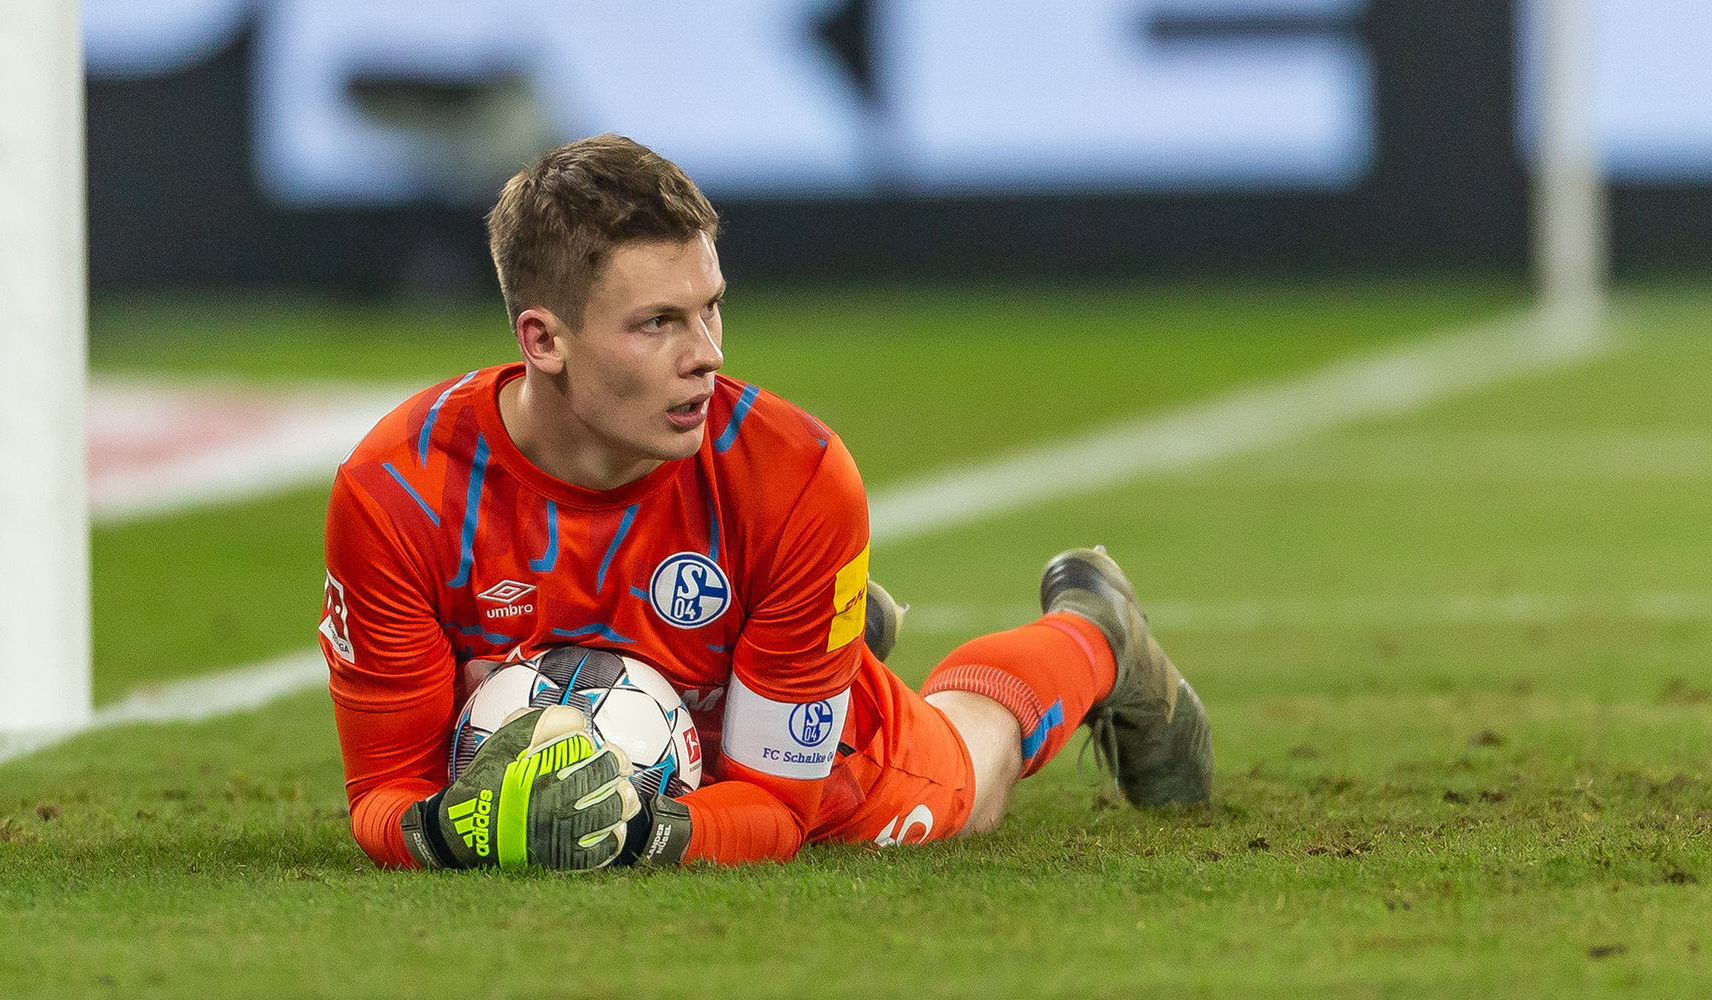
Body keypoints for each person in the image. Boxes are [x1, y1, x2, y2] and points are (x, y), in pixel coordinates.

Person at [318, 134, 1212, 871]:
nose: (706, 353)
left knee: (968, 782)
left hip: (761, 759)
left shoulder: (793, 478)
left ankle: (1096, 630)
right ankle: (780, 632)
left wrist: (642, 836)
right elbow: (387, 793)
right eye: (658, 323)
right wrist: (447, 831)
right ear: (543, 338)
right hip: (685, 671)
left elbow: (777, 813)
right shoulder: (398, 492)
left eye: (711, 309)